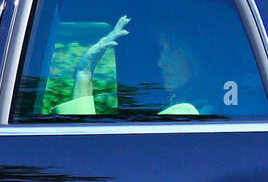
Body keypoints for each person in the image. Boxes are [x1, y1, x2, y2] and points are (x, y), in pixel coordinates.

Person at [51, 14, 216, 116]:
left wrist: (84, 74)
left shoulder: (186, 113)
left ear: (196, 58)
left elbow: (88, 151)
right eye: (161, 49)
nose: (160, 63)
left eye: (174, 51)